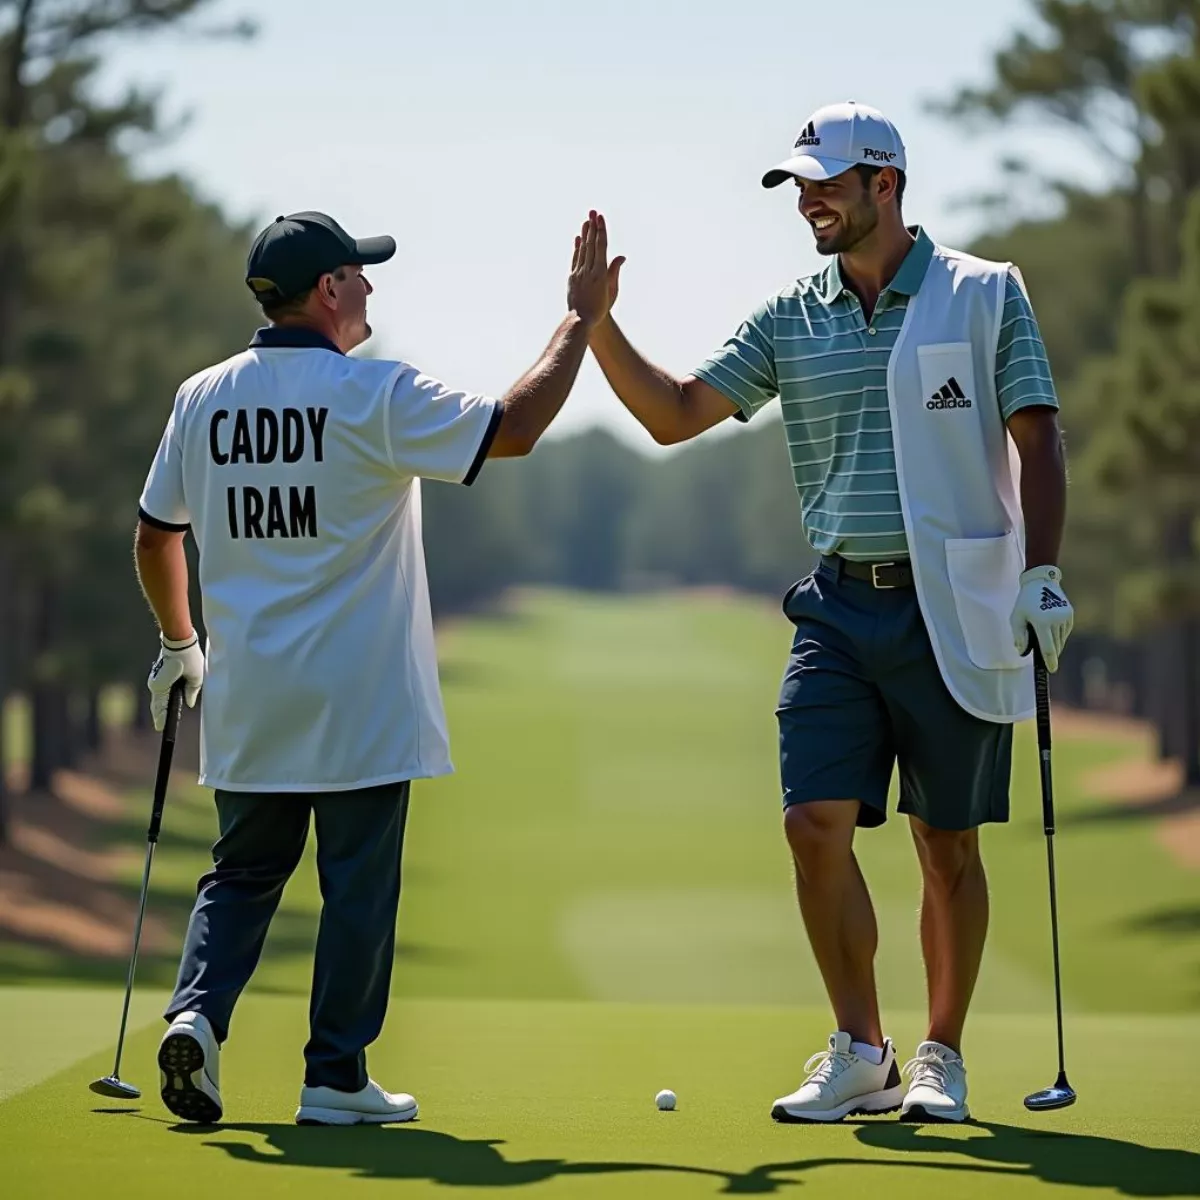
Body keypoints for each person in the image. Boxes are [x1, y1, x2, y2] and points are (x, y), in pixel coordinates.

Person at [586, 101, 1073, 1124]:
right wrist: (596, 326)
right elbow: (677, 415)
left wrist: (1044, 574)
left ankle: (941, 1056)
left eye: (824, 183)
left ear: (884, 185)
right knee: (814, 823)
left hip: (957, 603)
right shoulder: (790, 316)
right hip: (841, 607)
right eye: (797, 185)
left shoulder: (983, 294)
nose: (806, 200)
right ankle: (862, 1050)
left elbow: (1038, 437)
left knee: (946, 843)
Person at [134, 208, 614, 1126]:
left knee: (240, 876)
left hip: (252, 698)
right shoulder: (375, 394)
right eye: (358, 274)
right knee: (356, 885)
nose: (368, 287)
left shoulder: (202, 397)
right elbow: (509, 430)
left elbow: (158, 535)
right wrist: (579, 320)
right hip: (359, 698)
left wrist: (178, 642)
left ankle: (195, 1013)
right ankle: (335, 1077)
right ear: (326, 292)